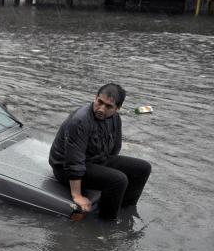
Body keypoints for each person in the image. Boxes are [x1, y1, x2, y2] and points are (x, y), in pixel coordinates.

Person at [49, 83, 151, 220]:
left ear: (117, 109)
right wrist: (77, 196)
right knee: (119, 180)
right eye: (99, 102)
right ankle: (106, 224)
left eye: (108, 106)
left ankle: (125, 210)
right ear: (95, 98)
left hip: (95, 160)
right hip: (65, 169)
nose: (101, 109)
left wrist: (106, 173)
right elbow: (73, 162)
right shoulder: (80, 121)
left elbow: (115, 149)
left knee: (143, 168)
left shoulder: (115, 119)